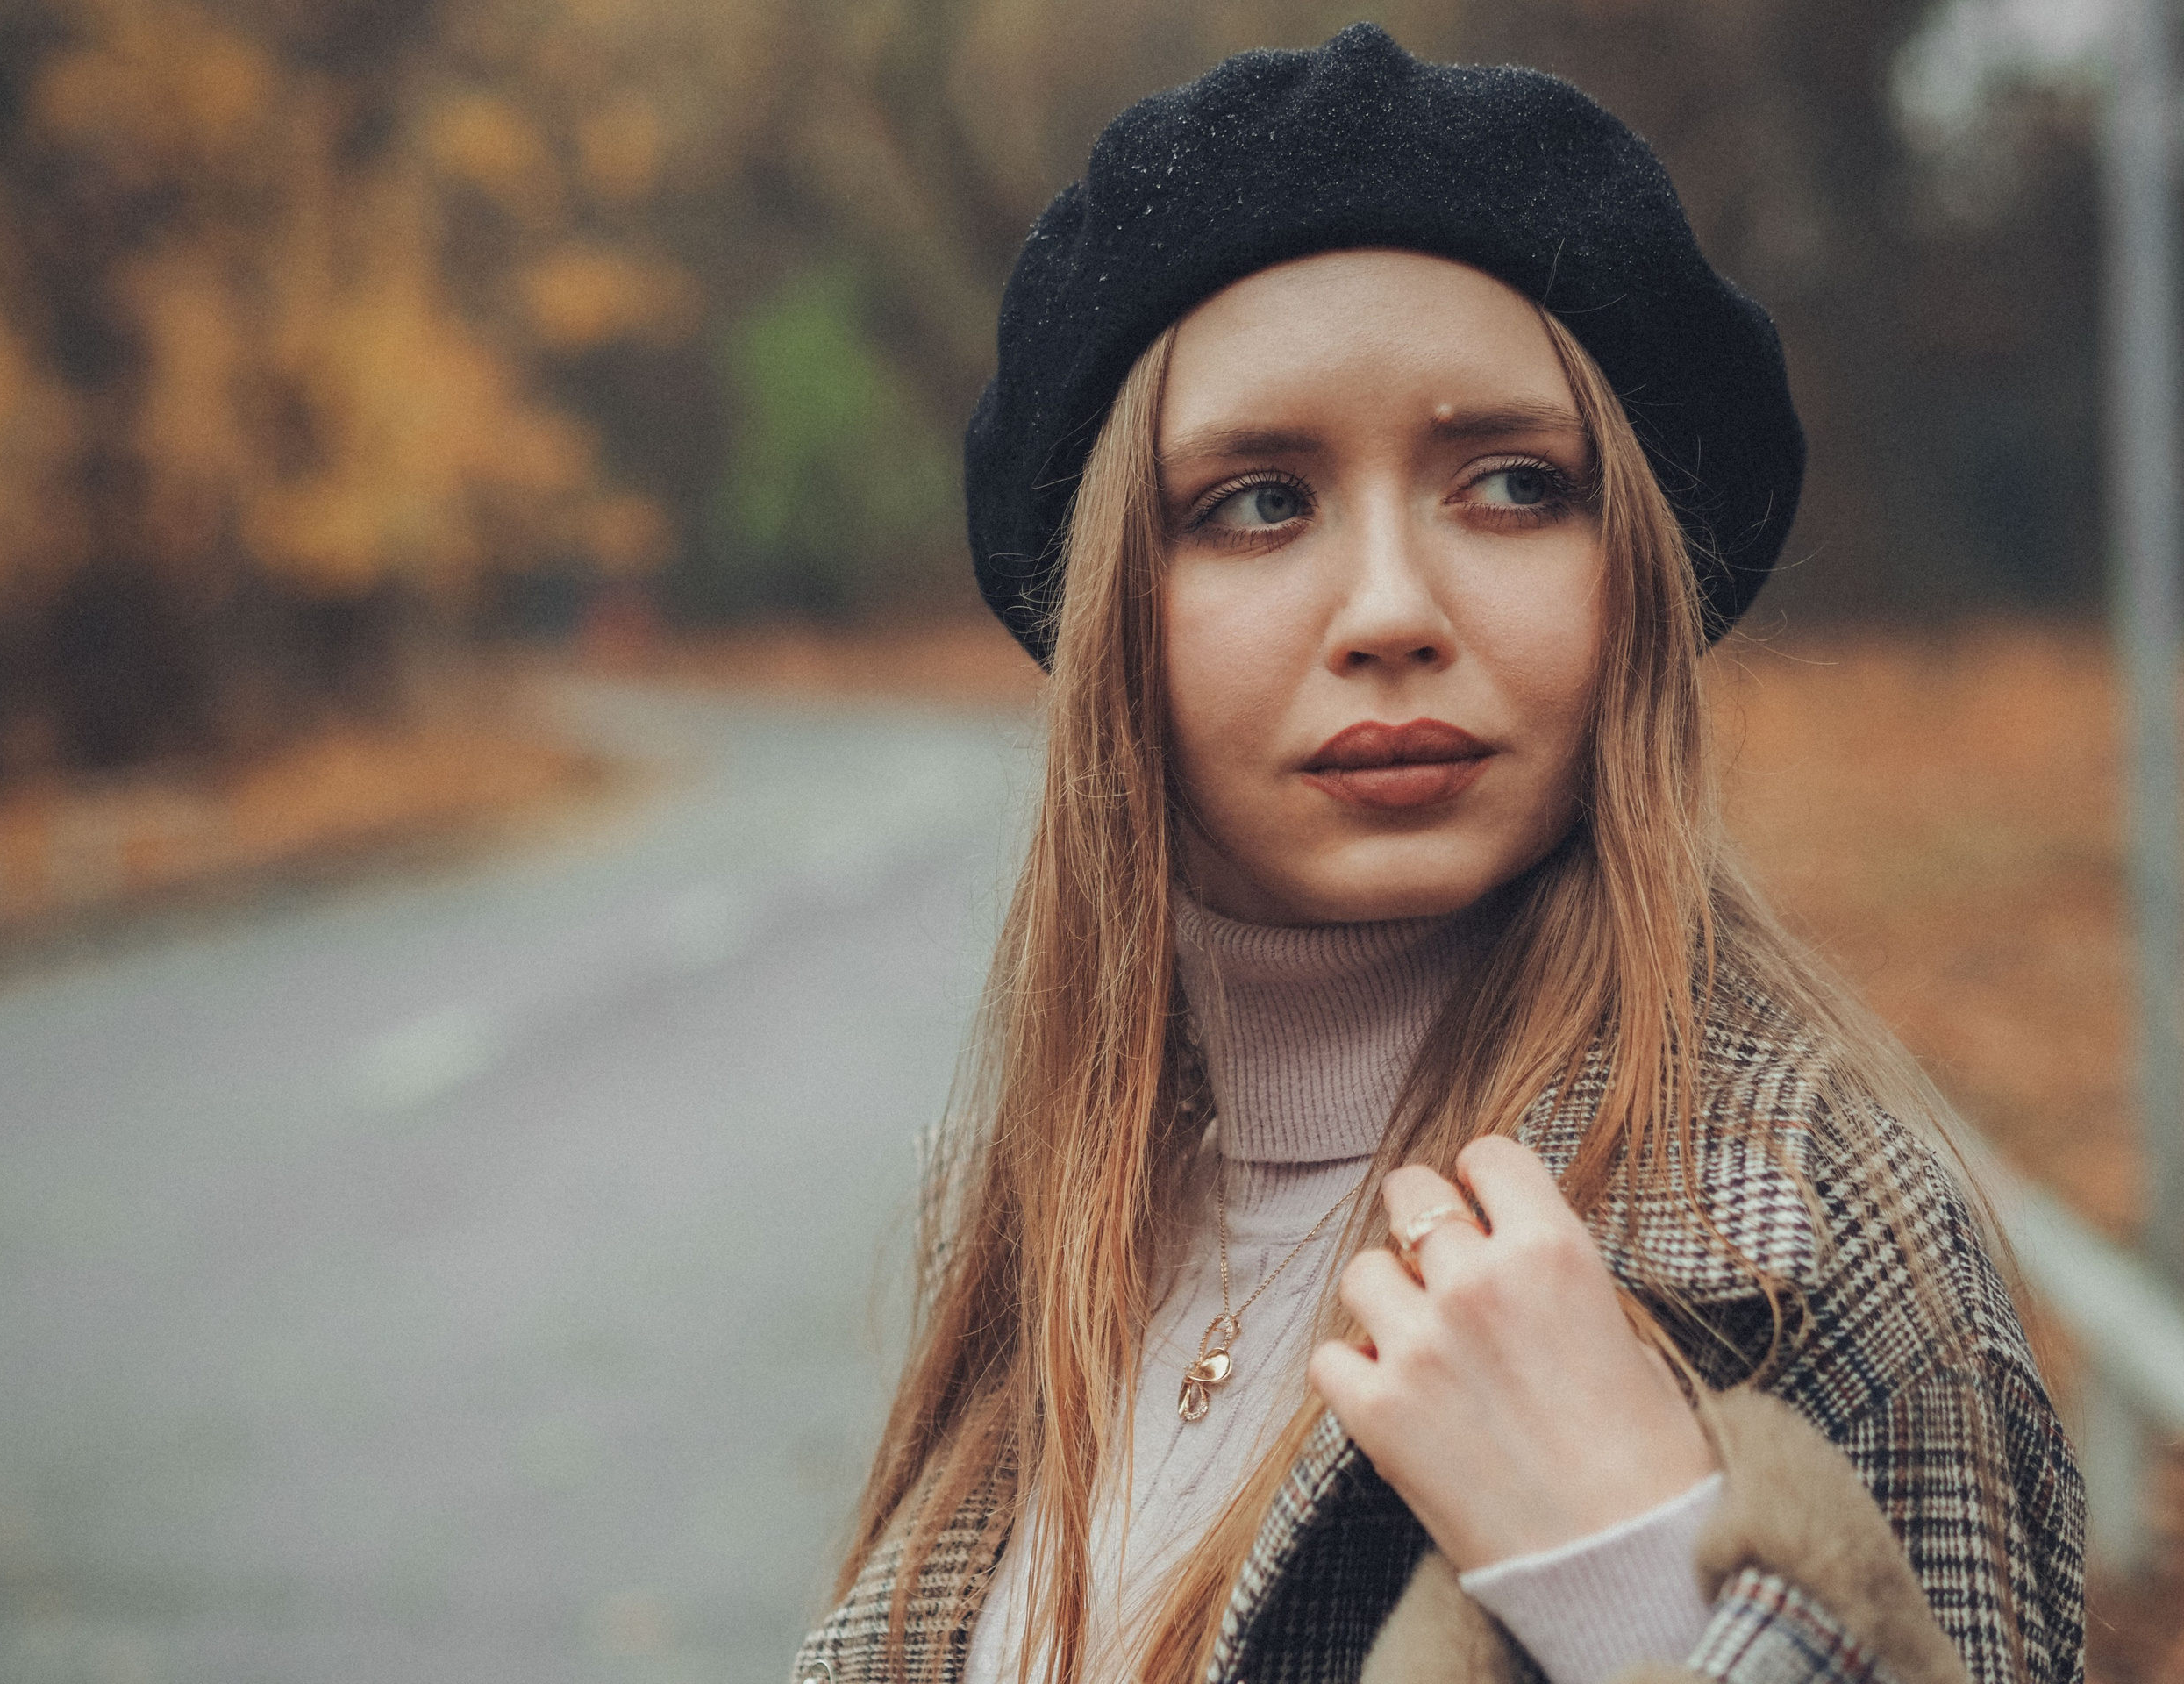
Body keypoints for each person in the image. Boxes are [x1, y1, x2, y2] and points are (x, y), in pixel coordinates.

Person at [791, 25, 2085, 1684]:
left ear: (1633, 575)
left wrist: (1639, 1582)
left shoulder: (1799, 1237)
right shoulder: (1069, 1213)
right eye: (1259, 502)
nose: (1393, 610)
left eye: (1513, 484)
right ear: (1122, 609)